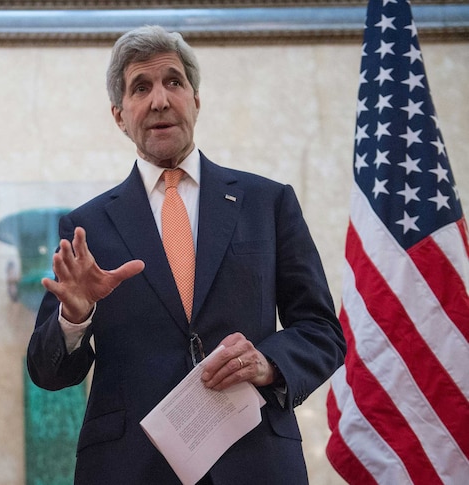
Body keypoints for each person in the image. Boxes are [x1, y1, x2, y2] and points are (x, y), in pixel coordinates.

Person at [27, 25, 345, 484]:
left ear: (196, 101)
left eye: (173, 82)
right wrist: (75, 318)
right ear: (119, 115)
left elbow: (321, 331)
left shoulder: (267, 202)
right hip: (129, 465)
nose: (159, 100)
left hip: (254, 461)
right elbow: (48, 372)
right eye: (141, 87)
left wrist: (267, 362)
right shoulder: (86, 227)